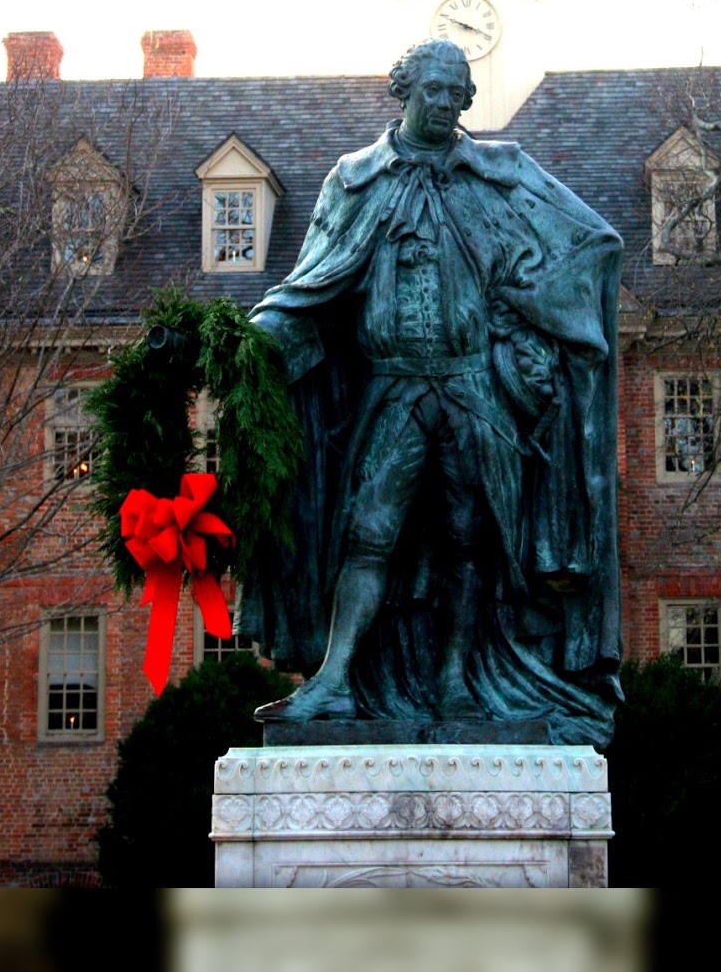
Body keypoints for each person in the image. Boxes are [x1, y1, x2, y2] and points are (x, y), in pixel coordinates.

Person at [242, 39, 623, 747]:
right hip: (391, 389)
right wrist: (246, 343)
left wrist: (531, 314)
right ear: (405, 91)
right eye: (434, 90)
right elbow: (307, 290)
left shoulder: (496, 177)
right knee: (368, 531)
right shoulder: (355, 180)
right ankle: (334, 681)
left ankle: (456, 679)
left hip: (473, 390)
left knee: (468, 539)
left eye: (457, 92)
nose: (446, 103)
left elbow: (592, 245)